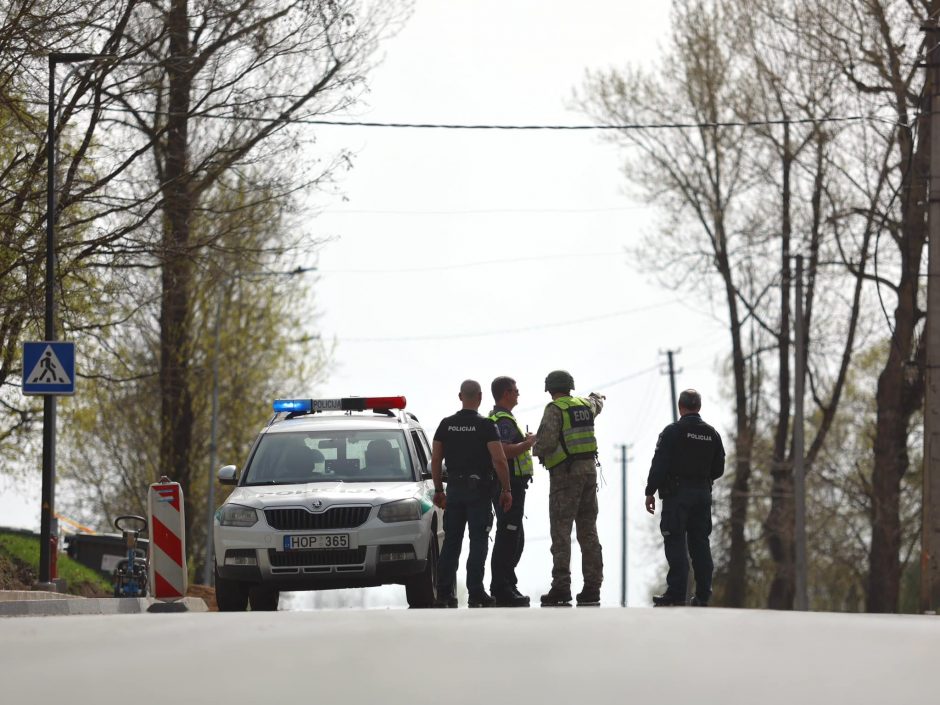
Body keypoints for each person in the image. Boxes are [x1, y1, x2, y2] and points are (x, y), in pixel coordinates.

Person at [431, 379, 513, 608]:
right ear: (480, 397)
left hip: (455, 491)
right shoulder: (486, 425)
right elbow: (499, 459)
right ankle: (476, 592)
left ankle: (444, 593)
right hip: (479, 493)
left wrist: (438, 489)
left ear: (460, 397)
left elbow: (436, 459)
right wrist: (506, 490)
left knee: (451, 544)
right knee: (478, 542)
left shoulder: (446, 425)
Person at [644, 388, 725, 607]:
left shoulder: (672, 432)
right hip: (702, 495)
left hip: (677, 496)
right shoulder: (712, 434)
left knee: (675, 541)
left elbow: (659, 464)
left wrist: (650, 491)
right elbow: (719, 469)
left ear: (681, 407)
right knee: (700, 542)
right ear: (698, 407)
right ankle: (703, 594)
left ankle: (677, 593)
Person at [532, 370, 605, 607]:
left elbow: (547, 442)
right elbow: (597, 402)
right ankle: (592, 588)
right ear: (570, 386)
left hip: (565, 477)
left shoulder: (555, 410)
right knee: (588, 531)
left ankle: (561, 587)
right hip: (588, 474)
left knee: (561, 532)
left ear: (550, 389)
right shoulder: (584, 404)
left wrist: (534, 444)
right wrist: (598, 397)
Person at [487, 376, 537, 607]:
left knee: (515, 536)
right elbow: (505, 452)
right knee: (508, 535)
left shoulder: (499, 417)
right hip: (509, 485)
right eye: (516, 391)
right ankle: (501, 586)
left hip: (513, 485)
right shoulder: (503, 419)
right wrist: (529, 443)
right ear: (506, 393)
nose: (518, 394)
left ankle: (508, 582)